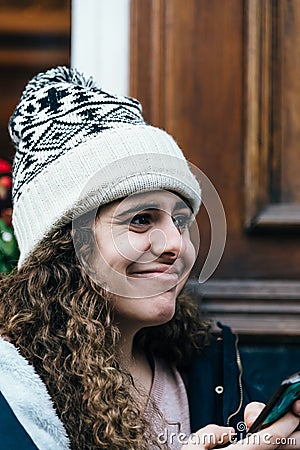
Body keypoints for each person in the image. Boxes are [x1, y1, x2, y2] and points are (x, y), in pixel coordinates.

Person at [0, 66, 299, 450]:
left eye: (180, 220)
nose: (176, 243)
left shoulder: (206, 365)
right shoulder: (15, 392)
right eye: (141, 220)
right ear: (64, 247)